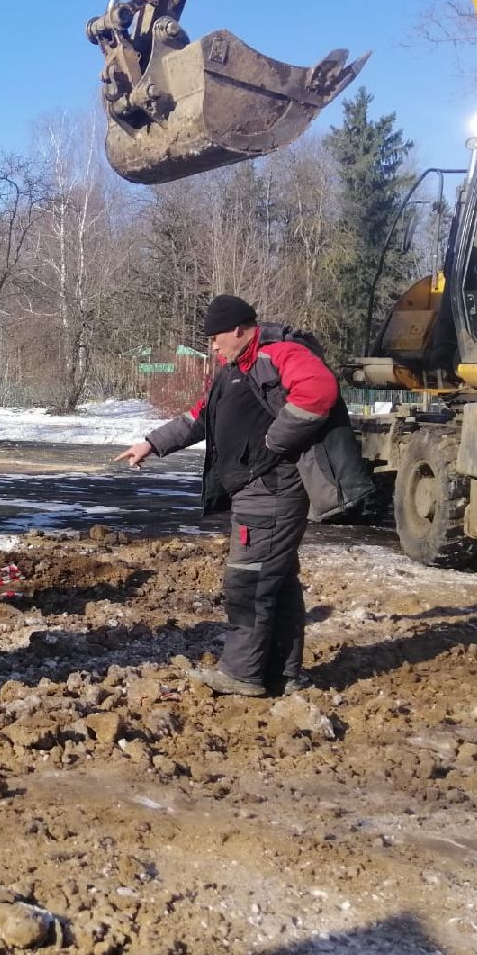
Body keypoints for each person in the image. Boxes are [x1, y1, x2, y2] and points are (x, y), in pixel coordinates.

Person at [115, 294, 371, 697]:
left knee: (248, 582)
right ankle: (280, 673)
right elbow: (200, 417)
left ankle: (241, 674)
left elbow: (319, 389)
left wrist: (276, 439)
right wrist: (152, 443)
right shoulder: (234, 370)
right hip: (255, 488)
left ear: (239, 329)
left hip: (271, 489)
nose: (212, 346)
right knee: (277, 580)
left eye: (216, 337)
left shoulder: (278, 354)